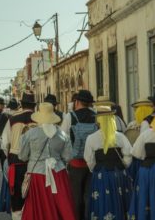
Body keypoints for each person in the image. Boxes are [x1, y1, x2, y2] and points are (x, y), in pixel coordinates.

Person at [19, 102, 76, 220]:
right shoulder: (63, 134)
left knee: (38, 206)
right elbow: (68, 157)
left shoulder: (30, 134)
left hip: (36, 175)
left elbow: (22, 156)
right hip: (58, 173)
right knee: (60, 204)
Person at [84, 106, 133, 220]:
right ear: (112, 118)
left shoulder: (91, 138)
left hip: (101, 174)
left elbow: (89, 159)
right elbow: (129, 154)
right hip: (118, 173)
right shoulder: (120, 137)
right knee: (118, 200)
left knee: (102, 200)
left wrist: (96, 169)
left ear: (99, 120)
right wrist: (123, 165)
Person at [61, 89, 96, 220]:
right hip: (92, 162)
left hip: (75, 162)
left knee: (76, 197)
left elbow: (62, 137)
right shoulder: (95, 115)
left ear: (77, 102)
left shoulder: (70, 117)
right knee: (89, 195)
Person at [1, 92, 37, 220]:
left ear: (22, 104)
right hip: (35, 163)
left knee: (16, 198)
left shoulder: (12, 119)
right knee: (34, 197)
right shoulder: (39, 119)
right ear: (34, 105)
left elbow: (5, 143)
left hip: (16, 163)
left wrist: (10, 157)